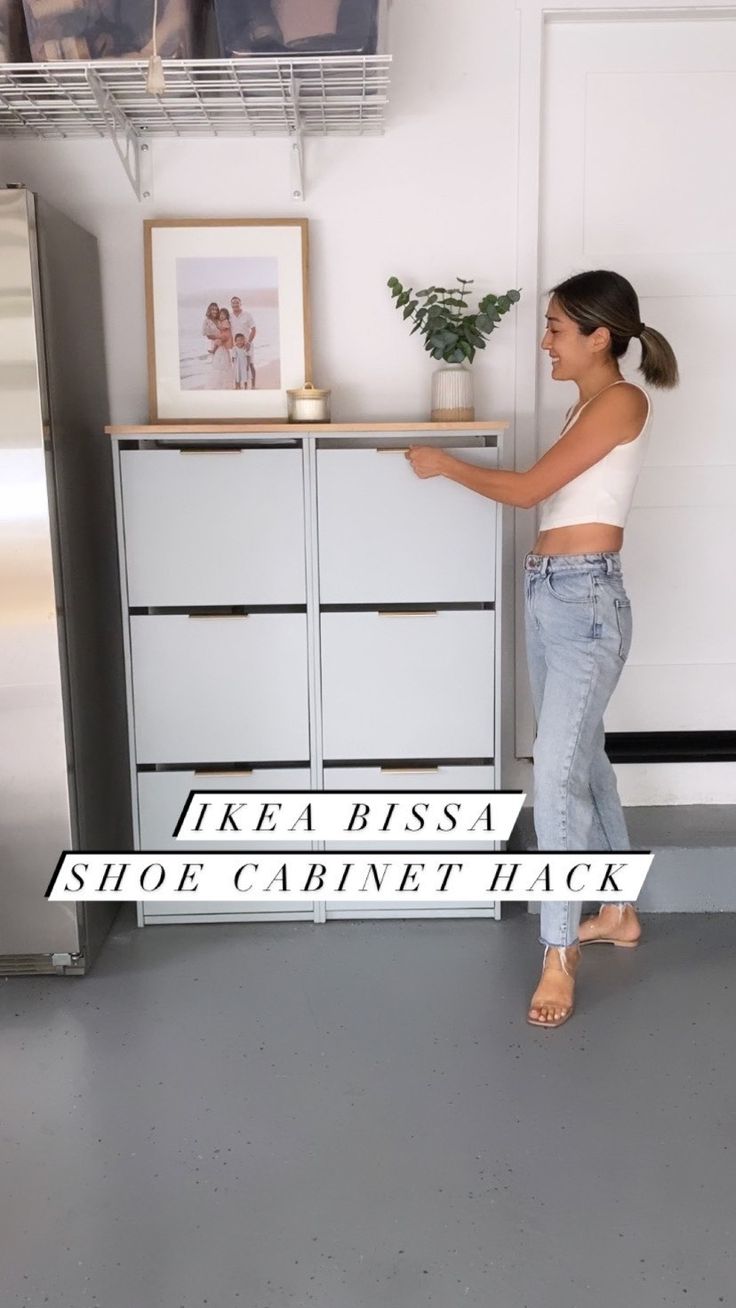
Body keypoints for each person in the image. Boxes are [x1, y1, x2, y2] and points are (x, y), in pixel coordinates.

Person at [403, 268, 680, 1029]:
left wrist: (446, 465)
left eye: (556, 327)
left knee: (554, 777)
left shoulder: (622, 399)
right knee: (582, 762)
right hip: (554, 593)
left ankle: (559, 952)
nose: (545, 341)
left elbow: (528, 492)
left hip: (586, 601)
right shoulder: (584, 403)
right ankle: (618, 907)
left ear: (600, 335)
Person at [229, 295, 257, 386]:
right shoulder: (229, 316)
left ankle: (253, 385)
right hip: (236, 346)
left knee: (250, 364)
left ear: (240, 303)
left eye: (237, 302)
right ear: (231, 305)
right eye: (233, 302)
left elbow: (253, 329)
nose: (235, 304)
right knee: (237, 366)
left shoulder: (247, 314)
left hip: (247, 345)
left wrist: (249, 342)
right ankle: (238, 386)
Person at [210, 308, 235, 389]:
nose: (221, 316)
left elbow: (222, 329)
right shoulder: (221, 322)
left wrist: (217, 325)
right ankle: (213, 350)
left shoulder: (226, 322)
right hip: (223, 337)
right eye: (220, 315)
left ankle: (213, 350)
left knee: (218, 341)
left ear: (226, 316)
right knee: (217, 342)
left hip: (225, 337)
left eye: (223, 315)